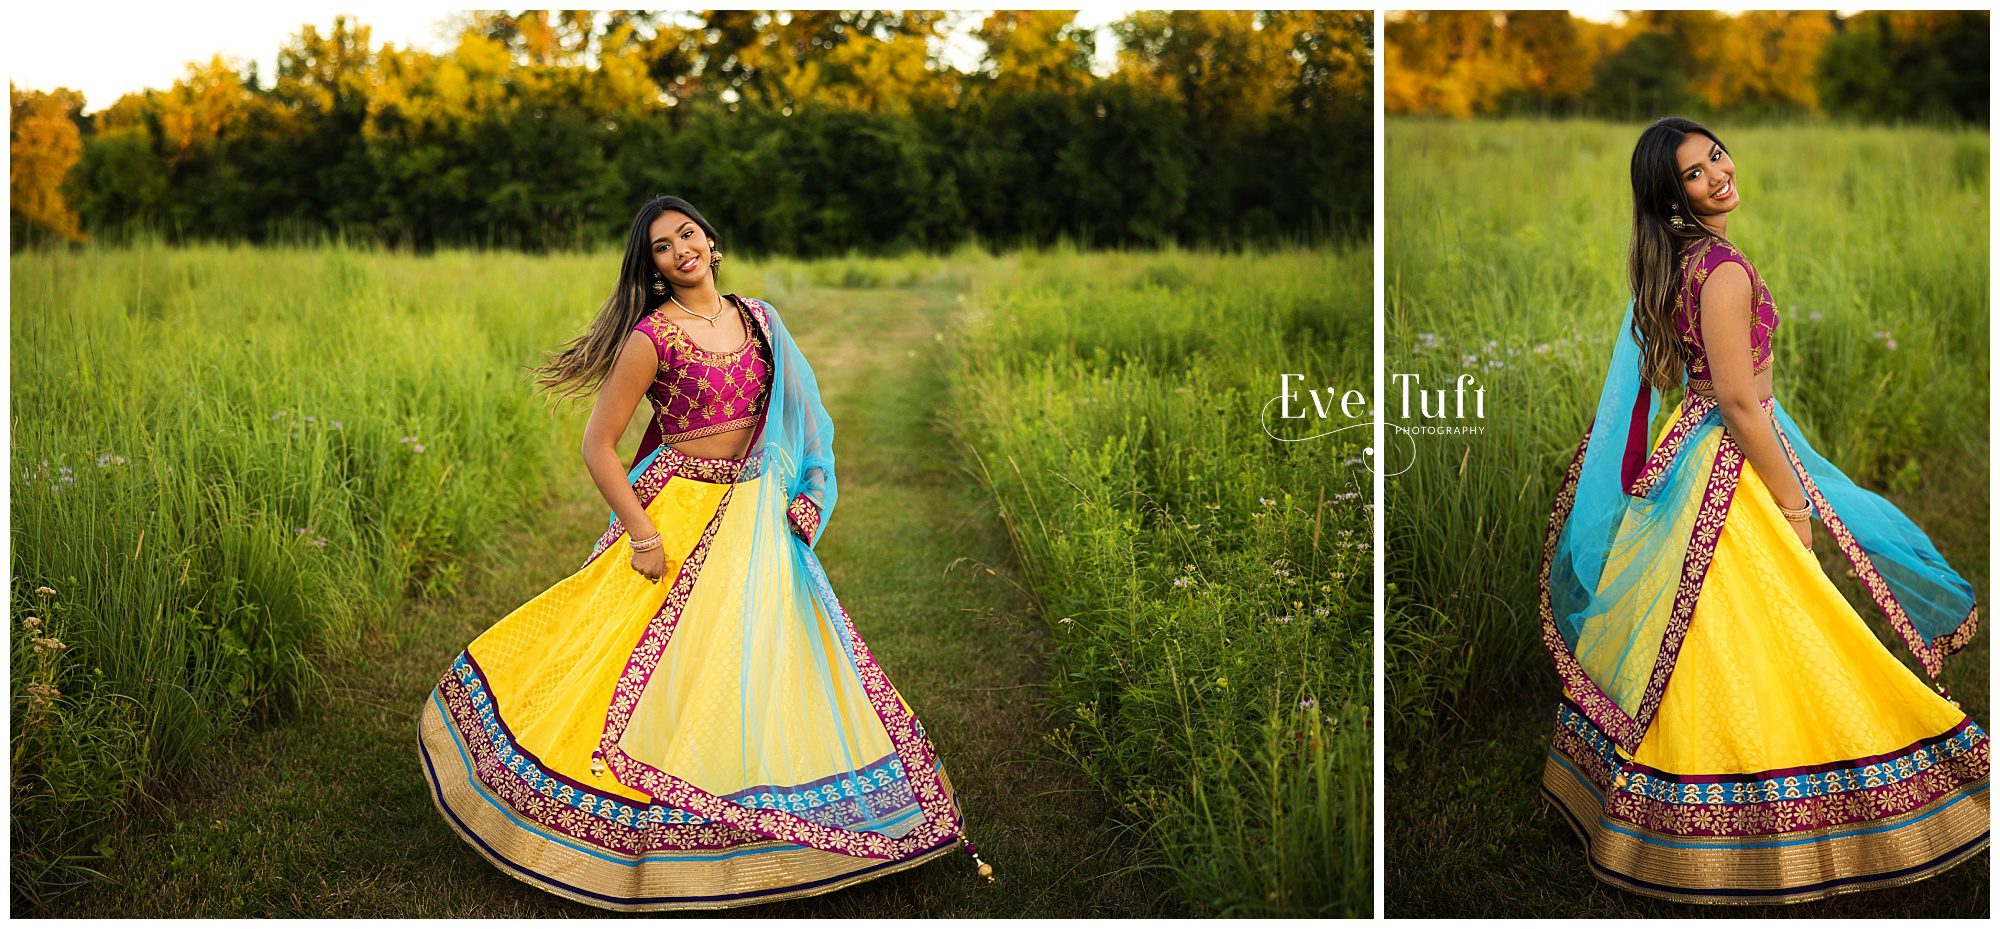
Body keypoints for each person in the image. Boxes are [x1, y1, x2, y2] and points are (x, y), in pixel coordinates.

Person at [415, 195, 990, 910]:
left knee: (761, 658)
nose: (680, 249)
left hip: (754, 514)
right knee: (641, 664)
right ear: (652, 267)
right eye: (661, 245)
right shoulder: (650, 338)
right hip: (680, 512)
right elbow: (597, 448)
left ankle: (774, 809)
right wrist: (643, 534)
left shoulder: (761, 320)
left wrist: (808, 492)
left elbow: (808, 417)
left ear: (711, 242)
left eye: (688, 233)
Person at [1537, 118, 1988, 904]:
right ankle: (1752, 797)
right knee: (1772, 620)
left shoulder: (1677, 260)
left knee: (1698, 629)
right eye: (1695, 173)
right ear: (1672, 197)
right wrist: (1790, 501)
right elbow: (1743, 404)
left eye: (1715, 155)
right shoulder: (1722, 269)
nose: (1717, 174)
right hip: (1727, 464)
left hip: (1692, 450)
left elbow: (1697, 379)